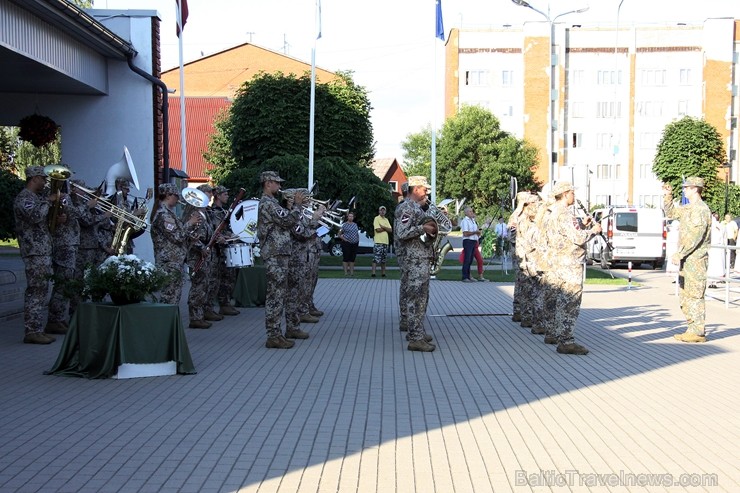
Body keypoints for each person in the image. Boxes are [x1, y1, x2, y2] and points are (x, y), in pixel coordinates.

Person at [258, 171, 318, 349]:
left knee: (280, 294)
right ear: (268, 183)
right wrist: (297, 205)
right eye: (277, 183)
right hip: (274, 254)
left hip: (280, 254)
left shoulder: (272, 203)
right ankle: (273, 335)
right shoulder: (267, 204)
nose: (279, 186)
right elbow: (288, 222)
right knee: (275, 296)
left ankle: (278, 333)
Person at [543, 181, 601, 355]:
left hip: (557, 262)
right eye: (572, 193)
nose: (574, 197)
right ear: (566, 194)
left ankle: (558, 334)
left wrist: (582, 224)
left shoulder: (553, 213)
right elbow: (578, 238)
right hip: (569, 263)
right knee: (570, 302)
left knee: (560, 300)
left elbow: (566, 234)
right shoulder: (565, 213)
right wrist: (593, 231)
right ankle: (566, 341)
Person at [662, 177, 711, 343]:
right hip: (687, 260)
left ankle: (698, 331)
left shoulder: (701, 210)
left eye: (687, 188)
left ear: (695, 189)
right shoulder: (689, 208)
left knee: (695, 295)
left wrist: (680, 253)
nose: (684, 190)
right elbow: (670, 213)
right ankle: (691, 328)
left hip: (696, 260)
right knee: (685, 295)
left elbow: (695, 236)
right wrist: (668, 196)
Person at [13, 166, 57, 344]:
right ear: (33, 179)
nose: (45, 182)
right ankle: (32, 331)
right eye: (42, 178)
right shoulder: (25, 198)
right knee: (35, 290)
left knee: (41, 290)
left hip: (42, 251)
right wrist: (48, 201)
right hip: (33, 251)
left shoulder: (36, 198)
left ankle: (37, 329)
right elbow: (36, 217)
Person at [395, 175, 437, 352]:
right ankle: (415, 337)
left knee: (421, 298)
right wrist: (424, 228)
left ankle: (417, 332)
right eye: (424, 188)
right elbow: (402, 233)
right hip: (415, 260)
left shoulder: (416, 208)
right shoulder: (407, 207)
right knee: (416, 299)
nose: (426, 191)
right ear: (416, 189)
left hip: (421, 258)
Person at [150, 183, 201, 307]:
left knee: (174, 295)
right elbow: (176, 237)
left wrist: (191, 238)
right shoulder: (164, 215)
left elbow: (178, 236)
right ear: (168, 195)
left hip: (174, 260)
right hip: (168, 261)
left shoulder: (169, 213)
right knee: (169, 296)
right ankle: (166, 323)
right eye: (176, 196)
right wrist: (190, 223)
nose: (178, 200)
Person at [209, 186, 240, 316]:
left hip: (226, 248)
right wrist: (227, 235)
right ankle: (211, 306)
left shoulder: (223, 210)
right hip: (218, 250)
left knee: (228, 277)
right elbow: (216, 229)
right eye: (225, 194)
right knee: (217, 279)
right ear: (218, 196)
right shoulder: (213, 211)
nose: (227, 196)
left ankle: (225, 303)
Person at [460, 206, 483, 282]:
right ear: (466, 213)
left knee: (470, 260)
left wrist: (478, 234)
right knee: (467, 259)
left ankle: (469, 276)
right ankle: (465, 277)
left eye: (472, 211)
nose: (472, 212)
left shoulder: (473, 221)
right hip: (468, 241)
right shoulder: (465, 221)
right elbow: (465, 233)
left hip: (474, 241)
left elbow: (475, 231)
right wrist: (475, 232)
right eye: (470, 211)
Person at [371, 205, 392, 277]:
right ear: (379, 211)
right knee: (376, 258)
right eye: (381, 210)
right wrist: (386, 228)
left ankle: (383, 273)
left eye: (384, 210)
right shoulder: (376, 218)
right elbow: (377, 230)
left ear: (385, 211)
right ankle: (373, 273)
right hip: (378, 241)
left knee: (384, 259)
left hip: (385, 242)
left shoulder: (386, 220)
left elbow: (390, 230)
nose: (382, 211)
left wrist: (383, 227)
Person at [338, 211, 360, 276]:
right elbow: (339, 234)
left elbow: (356, 233)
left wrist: (358, 240)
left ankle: (352, 272)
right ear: (347, 217)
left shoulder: (355, 225)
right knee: (346, 257)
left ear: (353, 217)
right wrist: (345, 240)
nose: (351, 217)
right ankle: (345, 272)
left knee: (352, 258)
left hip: (355, 243)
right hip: (346, 243)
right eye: (349, 216)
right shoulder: (344, 225)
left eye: (352, 216)